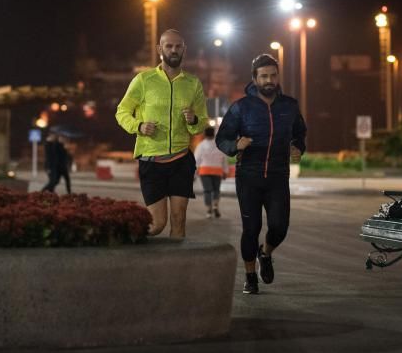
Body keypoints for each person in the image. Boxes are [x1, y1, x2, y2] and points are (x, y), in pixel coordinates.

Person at [215, 54, 306, 295]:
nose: (269, 80)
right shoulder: (240, 107)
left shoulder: (290, 106)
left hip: (277, 177)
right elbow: (221, 138)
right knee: (251, 228)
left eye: (273, 75)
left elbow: (300, 133)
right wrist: (235, 146)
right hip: (249, 178)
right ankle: (250, 276)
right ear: (254, 78)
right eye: (264, 76)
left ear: (278, 77)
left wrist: (298, 147)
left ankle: (265, 254)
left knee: (279, 227)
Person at [115, 29, 208, 238]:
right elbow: (121, 112)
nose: (173, 50)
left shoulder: (193, 84)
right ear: (160, 49)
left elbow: (202, 123)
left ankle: (176, 269)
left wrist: (193, 120)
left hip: (181, 160)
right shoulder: (144, 80)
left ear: (184, 49)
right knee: (157, 224)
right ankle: (130, 249)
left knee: (179, 220)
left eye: (177, 46)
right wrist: (138, 126)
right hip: (151, 161)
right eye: (169, 46)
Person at [194, 126, 230, 218]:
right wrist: (225, 171)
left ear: (205, 134)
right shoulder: (219, 145)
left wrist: (194, 172)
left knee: (207, 191)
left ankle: (209, 210)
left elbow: (196, 160)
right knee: (216, 190)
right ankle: (215, 206)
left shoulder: (201, 145)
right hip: (217, 170)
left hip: (204, 170)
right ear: (214, 134)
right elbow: (224, 159)